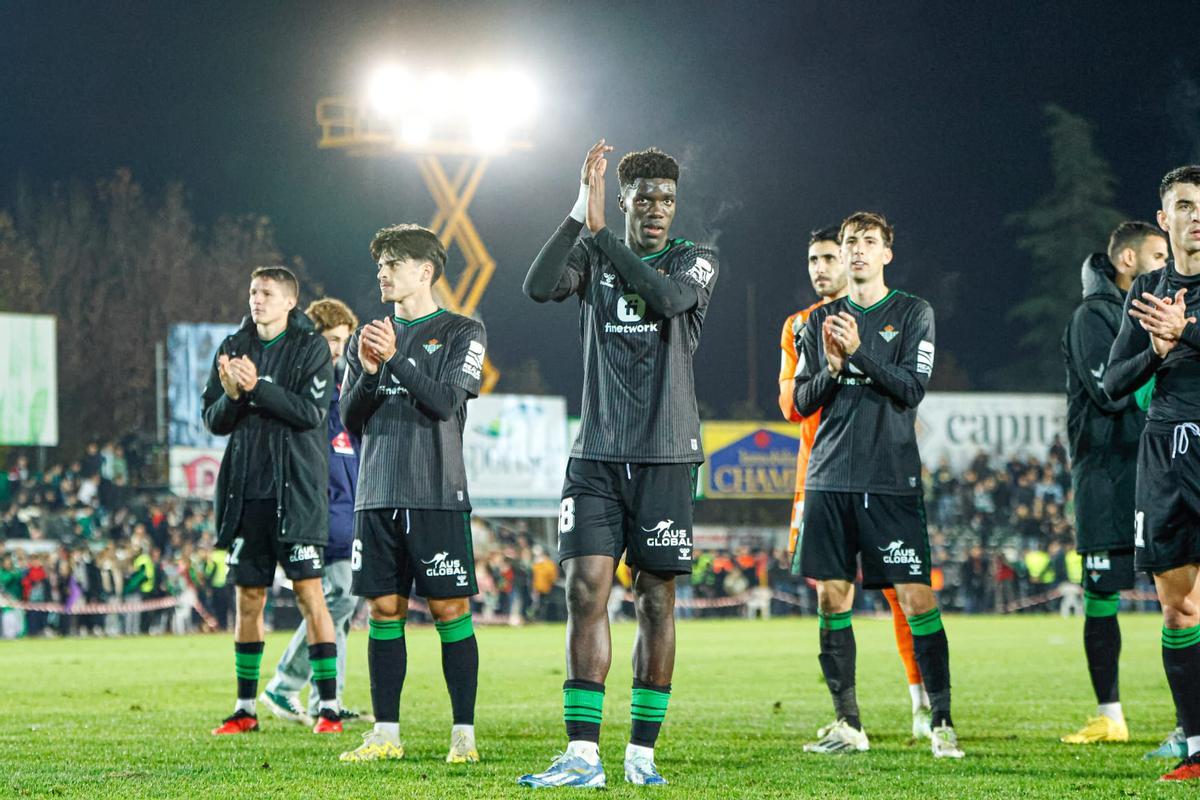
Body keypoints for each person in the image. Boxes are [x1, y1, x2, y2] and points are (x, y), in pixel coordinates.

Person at [518, 140, 718, 787]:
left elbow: (662, 299)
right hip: (596, 454)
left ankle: (641, 756)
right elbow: (538, 285)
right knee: (583, 591)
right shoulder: (593, 252)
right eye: (646, 198)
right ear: (625, 200)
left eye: (667, 199)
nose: (658, 209)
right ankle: (582, 756)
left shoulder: (697, 261)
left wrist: (604, 237)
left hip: (665, 456)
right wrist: (579, 215)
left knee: (655, 599)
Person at [793, 211, 963, 758]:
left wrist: (859, 353)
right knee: (831, 597)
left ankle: (940, 721)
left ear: (887, 253)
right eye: (849, 243)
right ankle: (849, 725)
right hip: (829, 478)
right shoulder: (815, 323)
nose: (858, 251)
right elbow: (801, 402)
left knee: (916, 598)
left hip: (890, 479)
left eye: (869, 242)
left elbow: (911, 389)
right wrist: (837, 368)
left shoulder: (914, 313)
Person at [337, 224, 486, 765]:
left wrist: (395, 359)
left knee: (449, 610)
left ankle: (463, 736)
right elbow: (352, 421)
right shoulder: (367, 338)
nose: (382, 272)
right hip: (376, 492)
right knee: (383, 608)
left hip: (435, 492)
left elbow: (446, 401)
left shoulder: (462, 330)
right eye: (380, 263)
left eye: (393, 263)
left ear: (425, 271)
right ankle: (385, 734)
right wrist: (372, 372)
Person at [202, 266, 341, 736]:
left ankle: (329, 708)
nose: (256, 300)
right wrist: (233, 394)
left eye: (265, 293)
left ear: (288, 302)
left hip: (296, 494)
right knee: (249, 599)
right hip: (247, 495)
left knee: (310, 595)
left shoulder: (311, 347)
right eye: (252, 292)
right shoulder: (231, 347)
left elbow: (310, 413)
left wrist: (257, 387)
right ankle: (244, 709)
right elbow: (215, 420)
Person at [1061, 222, 1172, 748]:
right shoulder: (1093, 317)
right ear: (1127, 259)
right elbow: (1111, 391)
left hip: (1156, 468)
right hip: (1106, 475)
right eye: (1157, 255)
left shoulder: (1154, 311)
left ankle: (1187, 720)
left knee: (1180, 595)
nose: (1166, 263)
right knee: (1101, 593)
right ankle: (1111, 715)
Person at [1104, 166, 1200, 781]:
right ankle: (1195, 750)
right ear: (1166, 220)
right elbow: (1113, 385)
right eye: (1186, 206)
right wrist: (1157, 350)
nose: (1198, 216)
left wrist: (1187, 331)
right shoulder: (1148, 293)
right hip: (1166, 455)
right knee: (1178, 608)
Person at [259, 297, 369, 727]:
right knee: (336, 599)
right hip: (314, 514)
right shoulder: (302, 390)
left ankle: (330, 699)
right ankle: (284, 684)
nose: (338, 349)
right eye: (330, 340)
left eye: (343, 340)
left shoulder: (344, 393)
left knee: (339, 606)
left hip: (346, 514)